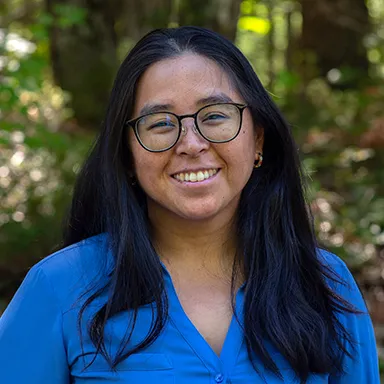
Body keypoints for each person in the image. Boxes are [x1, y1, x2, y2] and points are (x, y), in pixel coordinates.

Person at [0, 26, 379, 384]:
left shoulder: (327, 286)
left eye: (214, 116)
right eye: (161, 123)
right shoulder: (60, 289)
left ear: (258, 139)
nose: (191, 143)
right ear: (128, 155)